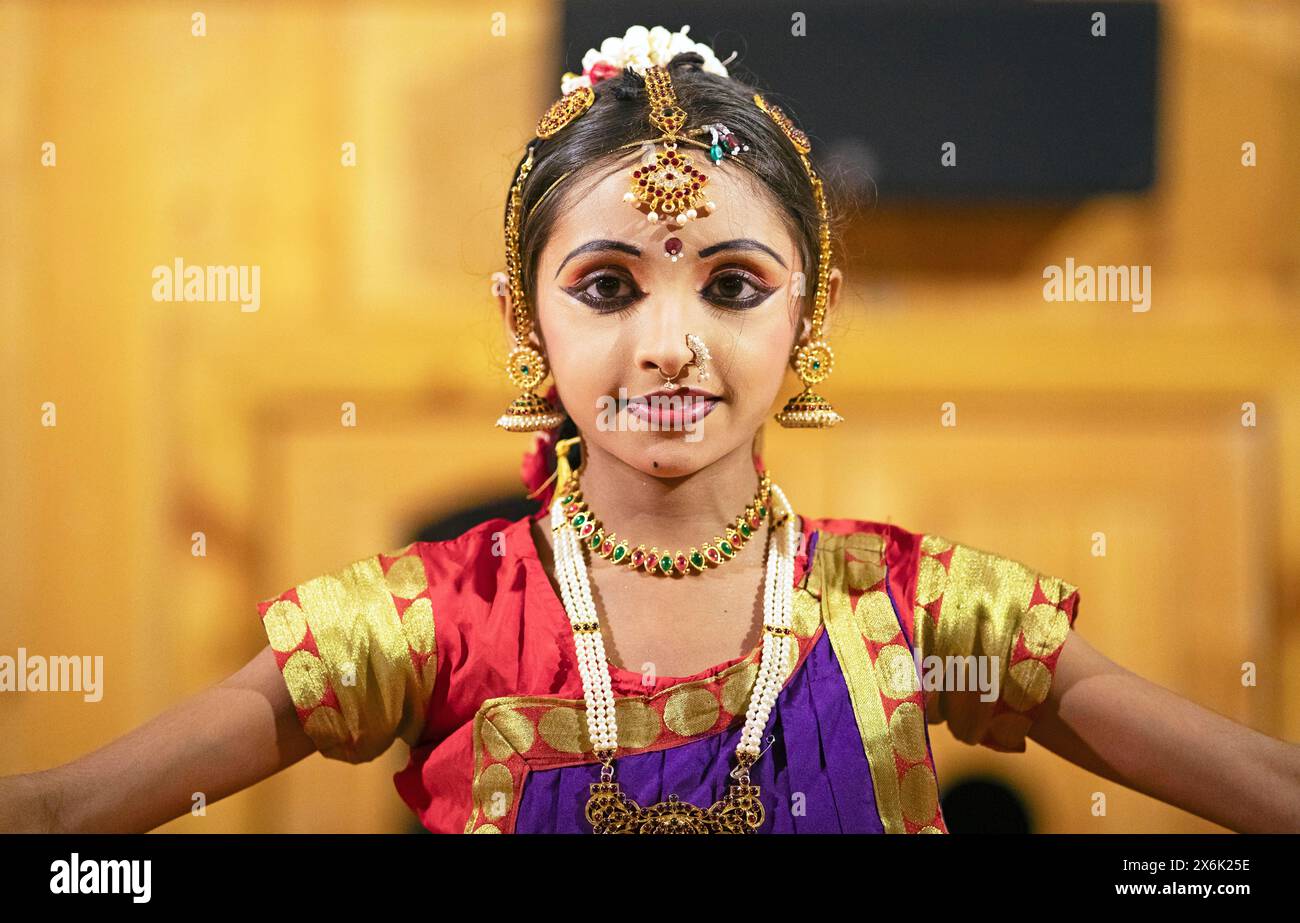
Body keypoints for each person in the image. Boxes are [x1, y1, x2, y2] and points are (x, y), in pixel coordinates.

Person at [3, 24, 1297, 835]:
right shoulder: (432, 620)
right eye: (609, 285)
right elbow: (61, 812)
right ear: (526, 316)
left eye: (731, 286)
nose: (669, 343)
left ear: (810, 309)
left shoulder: (911, 612)